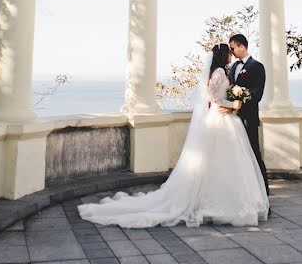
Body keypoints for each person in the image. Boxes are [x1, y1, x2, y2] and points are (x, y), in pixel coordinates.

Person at [77, 43, 269, 228]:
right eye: (229, 52)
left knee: (225, 161)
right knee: (222, 161)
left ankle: (228, 199)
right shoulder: (219, 73)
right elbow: (213, 98)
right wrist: (231, 105)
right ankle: (223, 202)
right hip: (221, 118)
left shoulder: (224, 71)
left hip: (224, 119)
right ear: (223, 55)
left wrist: (236, 99)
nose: (231, 55)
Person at [225, 33, 269, 196]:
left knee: (254, 156)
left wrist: (241, 100)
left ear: (242, 46)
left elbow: (257, 94)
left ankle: (264, 195)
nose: (231, 52)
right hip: (232, 119)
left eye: (233, 48)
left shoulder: (257, 67)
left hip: (248, 118)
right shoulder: (234, 67)